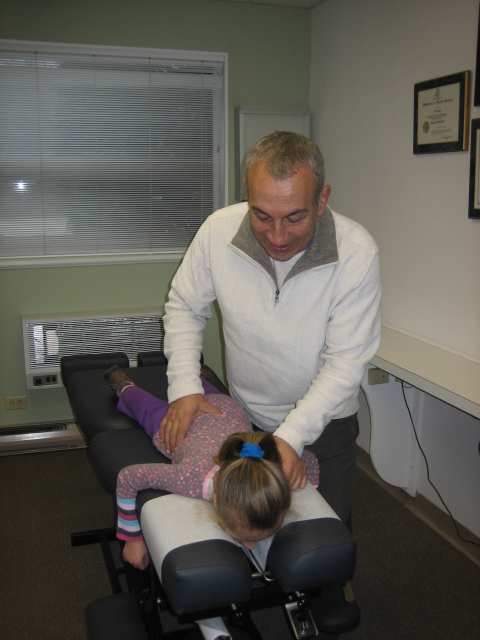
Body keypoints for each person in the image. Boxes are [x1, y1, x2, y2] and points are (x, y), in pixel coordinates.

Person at [160, 131, 381, 533]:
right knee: (248, 529)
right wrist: (185, 387)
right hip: (246, 419)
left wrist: (292, 437)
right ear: (248, 195)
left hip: (325, 428)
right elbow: (184, 306)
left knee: (324, 539)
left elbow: (346, 362)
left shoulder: (356, 252)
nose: (277, 236)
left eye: (294, 217)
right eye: (262, 215)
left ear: (322, 200)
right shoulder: (217, 232)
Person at [104, 365, 319, 570]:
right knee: (148, 411)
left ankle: (199, 378)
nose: (251, 546)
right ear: (215, 500)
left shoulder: (273, 474)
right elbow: (128, 477)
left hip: (225, 407)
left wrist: (305, 487)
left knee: (209, 397)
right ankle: (124, 387)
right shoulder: (189, 478)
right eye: (243, 538)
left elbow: (309, 460)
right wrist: (133, 538)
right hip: (187, 424)